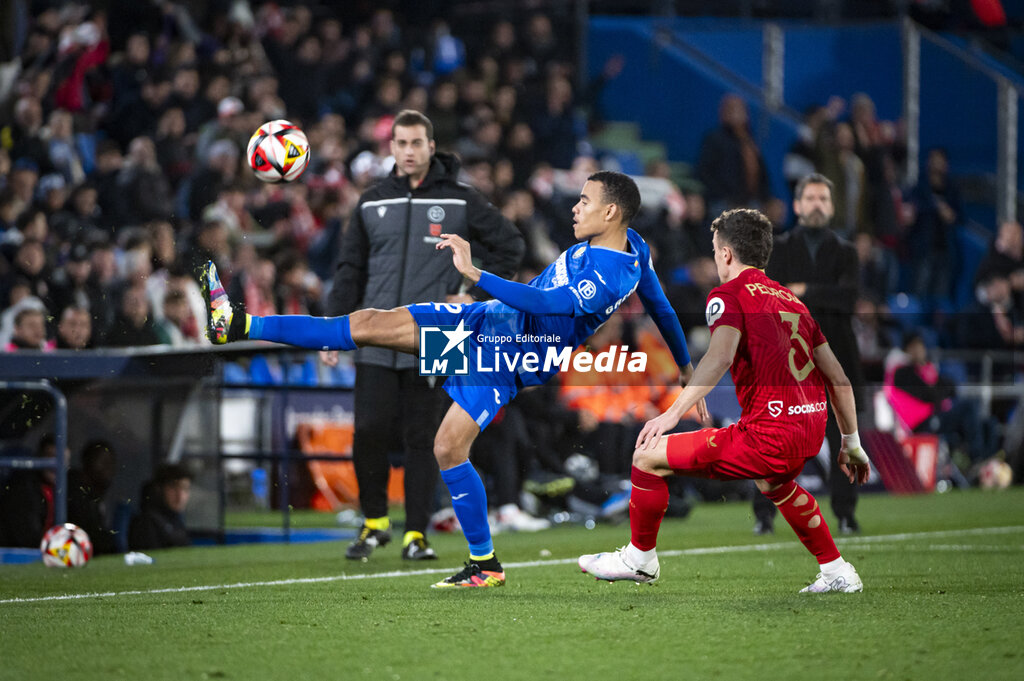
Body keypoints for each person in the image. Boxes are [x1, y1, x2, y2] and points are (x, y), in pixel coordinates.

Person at [201, 170, 698, 588]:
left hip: (509, 354)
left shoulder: (610, 273)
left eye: (584, 201)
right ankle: (240, 324)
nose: (574, 209)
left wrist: (476, 274)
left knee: (446, 447)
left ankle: (483, 563)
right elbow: (661, 307)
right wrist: (686, 367)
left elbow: (548, 303)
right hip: (490, 324)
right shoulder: (635, 248)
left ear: (610, 212)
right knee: (372, 325)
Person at [578, 208, 871, 593]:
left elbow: (719, 357)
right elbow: (839, 379)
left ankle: (639, 559)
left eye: (716, 251)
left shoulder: (728, 295)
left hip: (770, 433)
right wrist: (852, 444)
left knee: (647, 456)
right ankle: (837, 571)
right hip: (809, 429)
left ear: (727, 254)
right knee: (775, 484)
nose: (716, 259)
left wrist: (670, 414)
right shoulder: (792, 301)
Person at [322, 110, 525, 562]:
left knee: (423, 437)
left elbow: (511, 244)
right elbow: (349, 268)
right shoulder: (371, 201)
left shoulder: (461, 200)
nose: (409, 151)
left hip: (441, 333)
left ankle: (416, 533)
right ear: (390, 148)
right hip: (378, 330)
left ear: (432, 147)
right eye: (401, 143)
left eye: (417, 143)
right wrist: (335, 327)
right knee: (369, 430)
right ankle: (374, 522)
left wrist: (471, 293)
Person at [757, 173, 865, 535]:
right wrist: (821, 294)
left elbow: (848, 300)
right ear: (798, 206)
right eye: (811, 198)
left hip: (838, 358)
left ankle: (846, 515)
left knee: (844, 440)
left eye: (823, 198)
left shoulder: (846, 252)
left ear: (831, 207)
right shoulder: (779, 249)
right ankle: (764, 516)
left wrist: (802, 291)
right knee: (774, 438)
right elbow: (773, 298)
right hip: (788, 360)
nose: (817, 204)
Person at [0, 435, 57, 547]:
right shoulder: (25, 487)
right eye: (50, 457)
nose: (54, 466)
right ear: (40, 457)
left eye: (62, 459)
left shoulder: (66, 486)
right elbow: (27, 536)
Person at [67, 440, 117, 554]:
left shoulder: (102, 494)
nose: (108, 468)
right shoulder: (74, 490)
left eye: (111, 463)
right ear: (87, 462)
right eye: (103, 462)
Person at [128, 463, 192, 551]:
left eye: (185, 488)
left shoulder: (177, 521)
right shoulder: (146, 523)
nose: (180, 496)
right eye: (173, 487)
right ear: (159, 489)